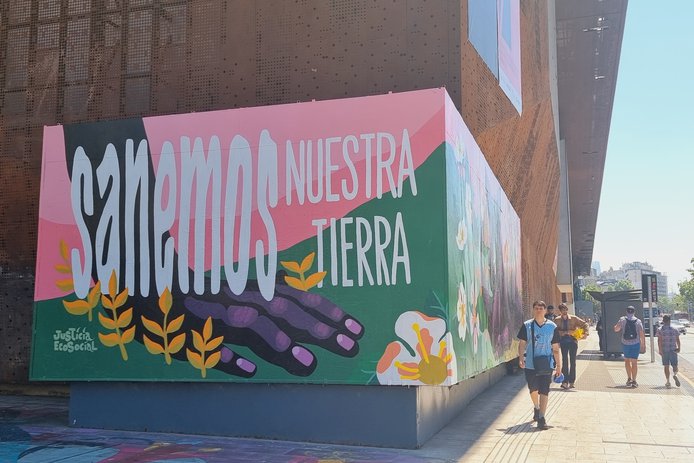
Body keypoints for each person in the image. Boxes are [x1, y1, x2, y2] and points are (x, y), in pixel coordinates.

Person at [517, 300, 561, 430]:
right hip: (531, 364)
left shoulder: (552, 326)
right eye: (536, 308)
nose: (539, 310)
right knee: (533, 389)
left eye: (541, 308)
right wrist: (521, 358)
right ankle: (536, 407)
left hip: (547, 364)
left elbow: (556, 348)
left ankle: (542, 417)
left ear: (545, 310)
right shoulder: (527, 325)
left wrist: (559, 366)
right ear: (533, 310)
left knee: (544, 390)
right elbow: (522, 344)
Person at [555, 303, 589, 389]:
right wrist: (563, 333)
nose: (565, 311)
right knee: (565, 361)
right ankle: (564, 382)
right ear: (560, 311)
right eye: (563, 310)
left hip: (573, 341)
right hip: (563, 341)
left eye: (566, 309)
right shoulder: (557, 320)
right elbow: (554, 330)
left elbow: (585, 324)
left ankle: (572, 382)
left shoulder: (574, 318)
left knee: (573, 361)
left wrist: (585, 333)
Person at [613, 305, 646, 387]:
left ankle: (629, 379)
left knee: (627, 361)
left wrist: (615, 327)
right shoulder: (638, 321)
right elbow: (641, 333)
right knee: (634, 362)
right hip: (636, 344)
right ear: (634, 312)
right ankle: (634, 381)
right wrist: (643, 344)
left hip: (625, 343)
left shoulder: (622, 319)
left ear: (626, 311)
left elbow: (616, 329)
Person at [656, 315, 681, 388]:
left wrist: (660, 350)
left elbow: (659, 341)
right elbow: (678, 340)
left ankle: (668, 382)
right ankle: (675, 374)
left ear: (663, 321)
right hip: (673, 350)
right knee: (675, 365)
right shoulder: (675, 329)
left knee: (666, 366)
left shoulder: (660, 329)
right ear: (670, 320)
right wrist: (679, 348)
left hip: (664, 350)